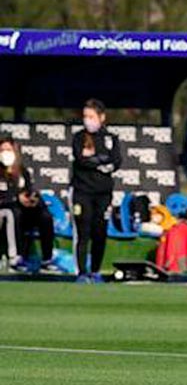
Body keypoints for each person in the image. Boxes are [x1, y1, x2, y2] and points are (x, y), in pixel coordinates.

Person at [71, 99, 122, 283]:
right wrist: (99, 161)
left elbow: (116, 161)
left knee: (100, 232)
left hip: (103, 193)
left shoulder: (110, 138)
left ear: (101, 117)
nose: (88, 120)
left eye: (91, 116)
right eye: (85, 116)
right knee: (83, 231)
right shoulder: (79, 137)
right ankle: (81, 273)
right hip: (82, 192)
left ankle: (95, 271)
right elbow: (81, 159)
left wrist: (97, 160)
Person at [0, 134, 55, 272]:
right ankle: (15, 258)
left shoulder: (22, 172)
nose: (6, 153)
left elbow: (29, 190)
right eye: (2, 150)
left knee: (45, 217)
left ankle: (47, 259)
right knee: (14, 213)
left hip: (26, 211)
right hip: (8, 211)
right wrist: (16, 199)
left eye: (8, 150)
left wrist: (33, 199)